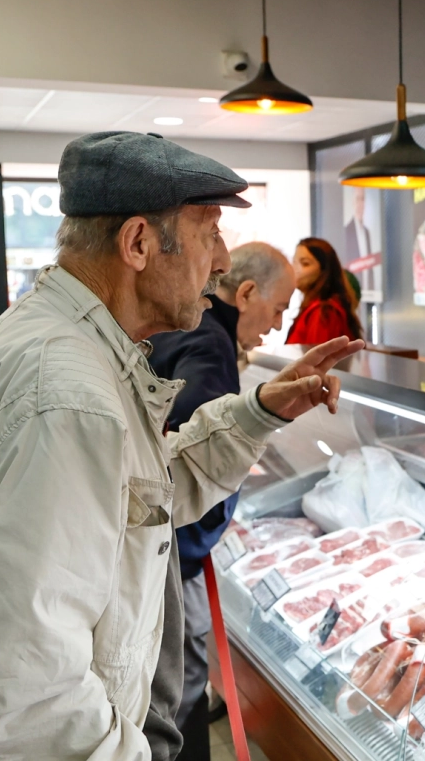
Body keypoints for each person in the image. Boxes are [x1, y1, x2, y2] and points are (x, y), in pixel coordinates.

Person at [0, 131, 363, 759]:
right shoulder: (69, 394)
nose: (222, 261)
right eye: (209, 232)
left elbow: (139, 496)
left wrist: (256, 413)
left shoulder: (66, 345)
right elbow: (28, 696)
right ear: (138, 243)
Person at [145, 242, 296, 761]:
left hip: (163, 545)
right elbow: (192, 447)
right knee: (179, 692)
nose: (278, 326)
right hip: (178, 551)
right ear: (248, 292)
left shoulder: (185, 329)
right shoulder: (211, 343)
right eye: (278, 309)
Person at [287, 236, 364, 345]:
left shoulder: (324, 313)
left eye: (305, 263)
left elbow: (317, 359)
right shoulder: (314, 307)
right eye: (294, 262)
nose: (295, 269)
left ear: (324, 270)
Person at [343, 186, 380, 294]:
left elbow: (370, 266)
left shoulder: (367, 232)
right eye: (357, 199)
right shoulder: (346, 231)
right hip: (352, 293)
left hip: (368, 293)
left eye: (362, 199)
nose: (360, 204)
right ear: (353, 203)